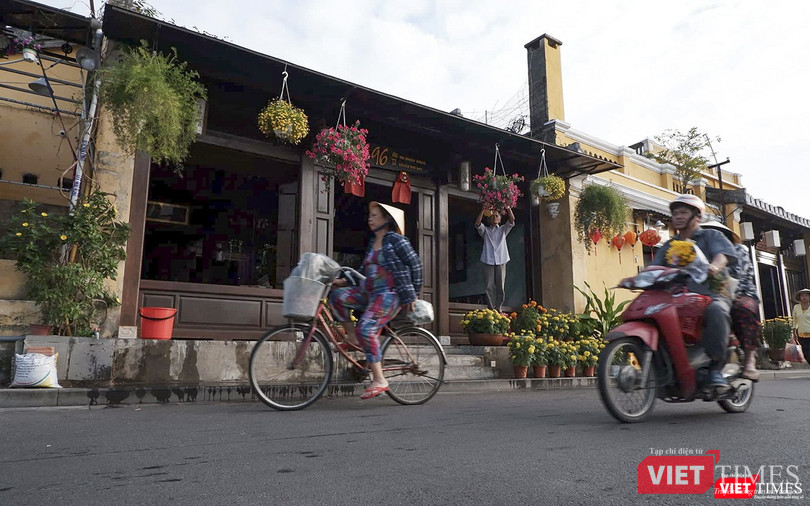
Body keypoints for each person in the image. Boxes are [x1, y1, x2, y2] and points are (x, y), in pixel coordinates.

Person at [329, 201, 423, 400]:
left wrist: (412, 293)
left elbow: (416, 265)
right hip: (369, 292)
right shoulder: (373, 243)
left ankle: (379, 379)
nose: (370, 219)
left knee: (367, 327)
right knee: (337, 296)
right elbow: (363, 272)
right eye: (369, 215)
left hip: (389, 294)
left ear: (386, 218)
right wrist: (343, 281)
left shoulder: (396, 240)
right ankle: (352, 337)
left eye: (374, 215)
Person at [651, 194, 737, 388]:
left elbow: (722, 256)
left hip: (711, 293)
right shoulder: (669, 245)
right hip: (677, 297)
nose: (678, 217)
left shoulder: (711, 236)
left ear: (697, 216)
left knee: (716, 310)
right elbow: (654, 268)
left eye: (683, 212)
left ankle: (716, 367)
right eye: (675, 213)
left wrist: (714, 267)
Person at [702, 221, 761, 381]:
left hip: (738, 292)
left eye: (716, 233)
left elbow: (736, 273)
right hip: (706, 294)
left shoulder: (738, 250)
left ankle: (750, 359)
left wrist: (714, 268)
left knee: (743, 308)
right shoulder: (700, 252)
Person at [475, 206, 515, 312]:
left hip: (501, 259)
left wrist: (508, 208)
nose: (494, 218)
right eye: (492, 216)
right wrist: (483, 210)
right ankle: (491, 308)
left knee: (500, 286)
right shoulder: (485, 231)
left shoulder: (503, 230)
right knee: (489, 286)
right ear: (489, 219)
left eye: (497, 216)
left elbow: (511, 220)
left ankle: (498, 307)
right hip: (487, 260)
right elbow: (478, 224)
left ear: (500, 219)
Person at [792, 288, 810, 366]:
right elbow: (794, 321)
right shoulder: (796, 307)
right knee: (806, 355)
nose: (804, 297)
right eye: (802, 296)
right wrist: (794, 332)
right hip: (801, 335)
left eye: (806, 295)